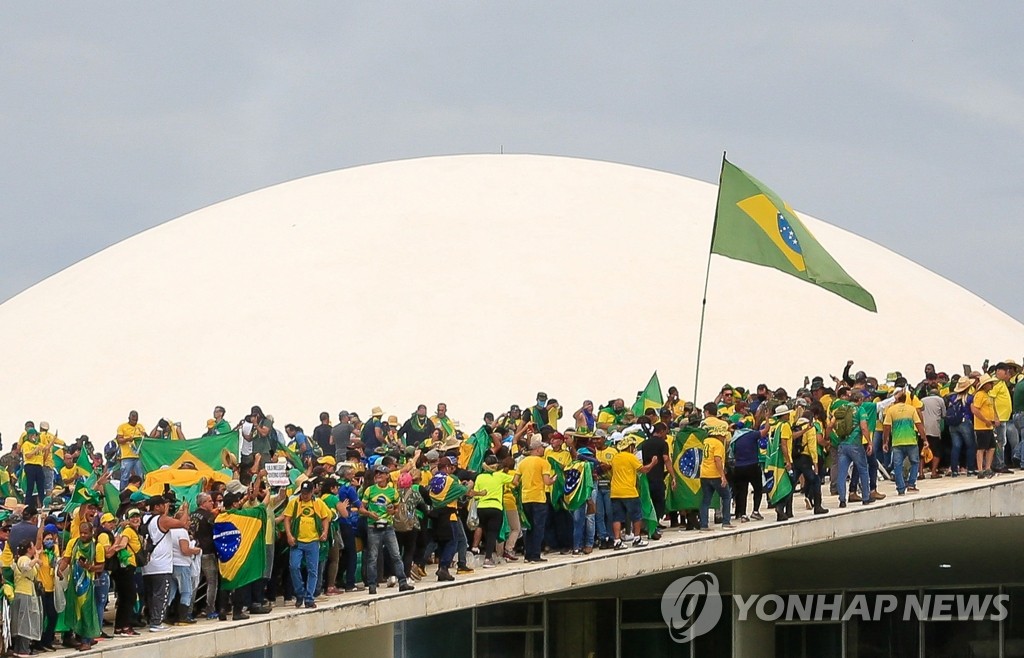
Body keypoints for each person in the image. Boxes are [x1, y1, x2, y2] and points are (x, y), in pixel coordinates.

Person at [360, 465, 414, 595]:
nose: (378, 475)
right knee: (373, 557)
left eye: (381, 473)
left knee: (396, 554)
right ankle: (372, 585)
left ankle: (402, 582)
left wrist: (393, 511)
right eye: (377, 473)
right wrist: (369, 514)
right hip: (373, 526)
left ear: (387, 476)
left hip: (388, 527)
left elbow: (397, 508)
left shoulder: (392, 491)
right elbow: (362, 509)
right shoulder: (369, 490)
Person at [141, 495, 192, 632]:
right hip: (161, 565)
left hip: (147, 564)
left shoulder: (145, 518)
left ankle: (151, 619)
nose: (166, 506)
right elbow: (182, 524)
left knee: (151, 595)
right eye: (163, 504)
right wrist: (186, 509)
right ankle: (156, 622)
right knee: (161, 594)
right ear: (157, 507)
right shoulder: (162, 520)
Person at [283, 480, 333, 607]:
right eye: (303, 493)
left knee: (313, 571)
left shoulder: (318, 503)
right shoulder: (294, 503)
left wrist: (325, 532)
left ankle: (309, 597)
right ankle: (300, 592)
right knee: (294, 566)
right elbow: (287, 519)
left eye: (307, 493)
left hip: (313, 541)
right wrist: (289, 535)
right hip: (297, 541)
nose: (304, 496)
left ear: (312, 492)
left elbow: (325, 518)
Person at [58, 521, 103, 650]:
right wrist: (60, 570)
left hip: (87, 585)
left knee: (86, 612)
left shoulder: (97, 546)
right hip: (74, 584)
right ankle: (78, 637)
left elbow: (101, 566)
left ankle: (86, 641)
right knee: (74, 610)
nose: (83, 535)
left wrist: (89, 567)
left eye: (86, 533)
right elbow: (66, 560)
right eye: (81, 532)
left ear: (91, 532)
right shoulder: (73, 543)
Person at [609, 436, 657, 549]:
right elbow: (644, 470)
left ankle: (617, 540)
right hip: (629, 492)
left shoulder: (615, 458)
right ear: (630, 447)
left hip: (615, 492)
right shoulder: (631, 457)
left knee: (617, 517)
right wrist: (653, 463)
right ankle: (637, 538)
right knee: (636, 516)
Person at [516, 436, 556, 562]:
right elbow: (547, 481)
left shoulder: (522, 463)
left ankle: (527, 555)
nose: (544, 450)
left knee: (529, 527)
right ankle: (535, 554)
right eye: (542, 448)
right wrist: (554, 479)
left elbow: (515, 481)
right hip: (538, 498)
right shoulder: (543, 462)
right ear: (537, 449)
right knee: (539, 527)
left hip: (525, 498)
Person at [474, 455, 519, 567]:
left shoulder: (479, 477)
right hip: (495, 507)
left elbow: (475, 494)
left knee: (486, 531)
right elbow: (515, 481)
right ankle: (488, 558)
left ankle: (486, 553)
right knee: (492, 533)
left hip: (481, 507)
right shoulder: (500, 476)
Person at [882, 389, 927, 495]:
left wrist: (885, 441)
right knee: (915, 463)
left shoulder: (891, 410)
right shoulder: (911, 409)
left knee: (897, 465)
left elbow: (886, 427)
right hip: (911, 441)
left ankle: (901, 488)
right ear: (906, 399)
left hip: (897, 442)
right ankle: (911, 484)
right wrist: (924, 439)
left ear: (896, 399)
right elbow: (918, 424)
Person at [112, 509, 142, 636]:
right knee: (129, 598)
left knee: (125, 598)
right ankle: (125, 626)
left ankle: (119, 627)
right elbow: (123, 544)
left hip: (127, 568)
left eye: (137, 516)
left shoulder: (131, 530)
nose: (136, 519)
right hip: (126, 568)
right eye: (133, 517)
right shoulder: (129, 531)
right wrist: (112, 549)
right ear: (128, 520)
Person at [639, 422, 670, 538]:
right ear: (661, 431)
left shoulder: (645, 444)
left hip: (646, 477)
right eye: (665, 432)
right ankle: (654, 526)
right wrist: (673, 475)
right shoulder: (663, 444)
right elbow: (666, 459)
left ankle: (646, 525)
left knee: (647, 502)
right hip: (658, 477)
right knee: (659, 502)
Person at [699, 427, 734, 531]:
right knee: (726, 496)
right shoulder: (718, 444)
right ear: (718, 435)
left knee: (705, 501)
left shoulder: (705, 442)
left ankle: (704, 524)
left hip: (704, 474)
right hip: (715, 475)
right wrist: (722, 476)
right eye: (723, 436)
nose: (724, 438)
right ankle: (726, 522)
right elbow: (717, 460)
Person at [12, 538, 42, 657]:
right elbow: (26, 567)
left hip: (27, 592)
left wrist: (37, 557)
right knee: (24, 623)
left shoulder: (28, 559)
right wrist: (35, 559)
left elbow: (35, 569)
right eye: (33, 546)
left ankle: (19, 648)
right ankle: (23, 649)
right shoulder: (23, 559)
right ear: (29, 549)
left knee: (23, 622)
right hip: (23, 593)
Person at [167, 519, 201, 624]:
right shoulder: (182, 532)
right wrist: (196, 550)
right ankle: (183, 617)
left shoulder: (170, 531)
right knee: (186, 591)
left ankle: (167, 615)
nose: (190, 522)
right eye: (187, 520)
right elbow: (185, 550)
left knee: (171, 591)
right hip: (182, 564)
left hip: (171, 564)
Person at [971, 375, 999, 478]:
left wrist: (994, 419)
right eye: (990, 383)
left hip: (988, 426)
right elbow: (975, 410)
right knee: (981, 448)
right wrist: (985, 420)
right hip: (981, 427)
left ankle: (987, 468)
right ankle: (980, 469)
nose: (992, 385)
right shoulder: (980, 395)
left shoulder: (987, 395)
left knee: (991, 447)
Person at [115, 411, 147, 489]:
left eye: (136, 420)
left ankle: (140, 492)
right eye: (133, 420)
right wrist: (128, 439)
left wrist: (143, 436)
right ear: (129, 418)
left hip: (138, 456)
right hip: (127, 456)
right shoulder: (122, 427)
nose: (135, 422)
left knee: (140, 476)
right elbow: (119, 440)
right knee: (125, 476)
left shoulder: (140, 426)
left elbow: (146, 437)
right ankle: (123, 493)